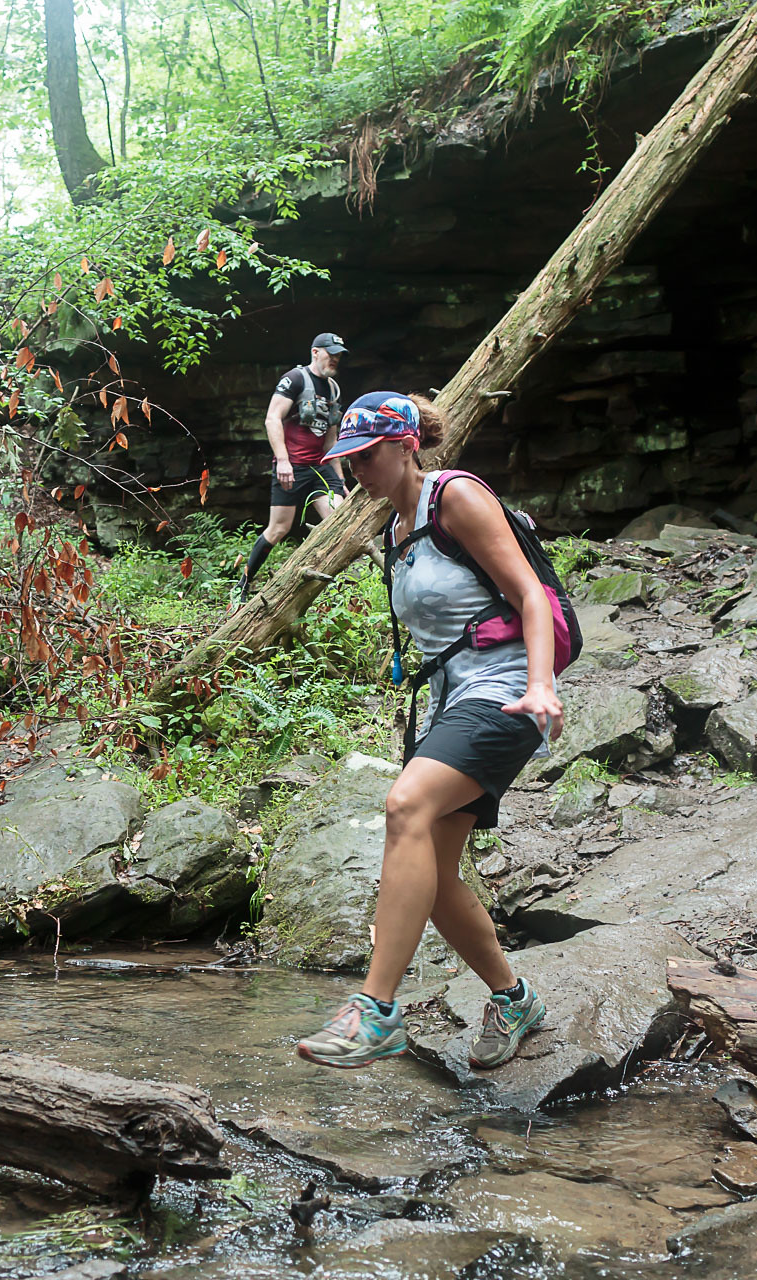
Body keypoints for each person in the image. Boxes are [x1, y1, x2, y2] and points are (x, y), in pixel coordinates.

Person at [294, 392, 564, 1071]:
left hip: (504, 692)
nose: (357, 470)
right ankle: (514, 997)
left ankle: (377, 1013)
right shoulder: (394, 529)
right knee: (436, 876)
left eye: (367, 455)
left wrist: (540, 684)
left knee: (404, 805)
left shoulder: (456, 498)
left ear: (406, 445)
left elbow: (531, 593)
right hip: (452, 702)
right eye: (347, 460)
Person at [237, 334, 349, 598]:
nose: (335, 359)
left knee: (340, 520)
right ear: (315, 352)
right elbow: (272, 418)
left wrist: (340, 479)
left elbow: (331, 439)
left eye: (338, 354)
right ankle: (243, 584)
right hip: (292, 466)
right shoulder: (296, 379)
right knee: (278, 529)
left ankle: (331, 587)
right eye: (330, 353)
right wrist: (283, 461)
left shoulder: (333, 388)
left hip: (319, 467)